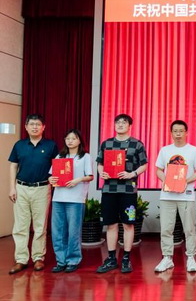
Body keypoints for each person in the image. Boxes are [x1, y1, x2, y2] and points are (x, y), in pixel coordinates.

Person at [96, 114, 148, 274]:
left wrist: (132, 174)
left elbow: (144, 164)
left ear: (129, 126)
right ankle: (111, 258)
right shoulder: (106, 144)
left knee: (128, 224)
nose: (120, 125)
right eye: (117, 122)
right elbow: (100, 163)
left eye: (123, 122)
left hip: (128, 191)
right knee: (111, 224)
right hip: (109, 190)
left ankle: (126, 258)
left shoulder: (137, 144)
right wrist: (102, 172)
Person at [8, 114, 58, 274]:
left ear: (43, 127)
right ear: (26, 127)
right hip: (21, 188)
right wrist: (12, 188)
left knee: (40, 226)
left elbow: (57, 166)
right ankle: (21, 259)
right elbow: (13, 166)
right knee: (20, 226)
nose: (35, 127)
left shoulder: (51, 145)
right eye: (32, 124)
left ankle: (38, 258)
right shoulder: (19, 145)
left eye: (38, 124)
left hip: (42, 188)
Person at [154, 120, 196, 273]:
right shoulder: (165, 150)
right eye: (175, 131)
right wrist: (166, 180)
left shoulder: (194, 151)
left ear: (186, 132)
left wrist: (185, 181)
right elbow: (158, 169)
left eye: (181, 131)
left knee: (189, 228)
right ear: (171, 133)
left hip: (186, 195)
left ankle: (191, 258)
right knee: (166, 228)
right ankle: (167, 258)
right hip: (167, 195)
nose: (178, 134)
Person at [47, 129, 94, 273]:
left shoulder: (85, 157)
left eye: (73, 138)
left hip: (76, 199)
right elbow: (51, 175)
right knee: (58, 231)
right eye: (67, 138)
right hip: (58, 198)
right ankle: (61, 261)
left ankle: (73, 260)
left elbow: (90, 176)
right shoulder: (60, 156)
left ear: (79, 140)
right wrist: (51, 179)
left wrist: (77, 180)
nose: (70, 141)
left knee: (73, 231)